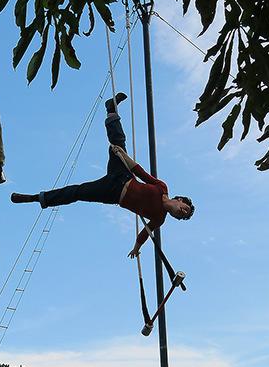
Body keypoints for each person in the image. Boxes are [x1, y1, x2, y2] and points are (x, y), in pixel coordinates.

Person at [11, 92, 194, 258]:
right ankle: (111, 110)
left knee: (78, 192)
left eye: (182, 216)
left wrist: (136, 248)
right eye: (184, 208)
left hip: (112, 193)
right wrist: (122, 155)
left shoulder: (159, 218)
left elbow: (144, 234)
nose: (181, 212)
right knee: (119, 142)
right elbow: (140, 172)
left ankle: (37, 198)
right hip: (124, 176)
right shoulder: (162, 187)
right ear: (179, 199)